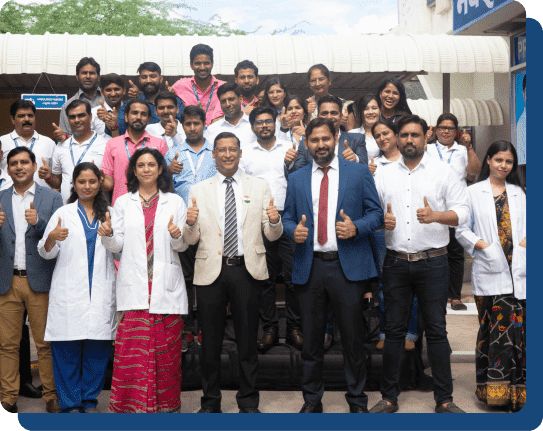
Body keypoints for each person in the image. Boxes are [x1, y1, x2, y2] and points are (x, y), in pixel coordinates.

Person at [282, 118, 383, 413]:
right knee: (311, 343)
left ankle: (357, 401)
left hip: (347, 268)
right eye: (314, 140)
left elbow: (376, 214)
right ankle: (312, 402)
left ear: (336, 138)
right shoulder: (297, 178)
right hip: (310, 267)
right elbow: (288, 217)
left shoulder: (359, 173)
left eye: (326, 139)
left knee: (353, 342)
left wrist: (357, 227)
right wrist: (292, 231)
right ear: (307, 143)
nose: (320, 145)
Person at [370, 115, 469, 414]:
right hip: (396, 264)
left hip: (434, 263)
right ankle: (388, 398)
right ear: (397, 138)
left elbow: (463, 213)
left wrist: (437, 216)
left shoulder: (444, 172)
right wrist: (380, 221)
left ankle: (444, 399)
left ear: (425, 137)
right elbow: (371, 214)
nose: (409, 140)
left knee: (437, 331)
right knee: (394, 331)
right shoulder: (383, 174)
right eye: (404, 135)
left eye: (415, 134)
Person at [182, 131, 282, 413]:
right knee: (210, 343)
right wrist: (189, 225)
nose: (227, 154)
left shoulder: (259, 186)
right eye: (221, 150)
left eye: (232, 150)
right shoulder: (198, 190)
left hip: (246, 271)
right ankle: (210, 402)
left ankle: (249, 403)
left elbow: (271, 235)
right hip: (210, 271)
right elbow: (191, 239)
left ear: (240, 153)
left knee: (248, 342)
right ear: (213, 154)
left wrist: (275, 222)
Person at [100, 147, 187, 413]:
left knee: (167, 358)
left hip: (165, 292)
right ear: (134, 171)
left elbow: (181, 246)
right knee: (131, 356)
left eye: (152, 164)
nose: (146, 169)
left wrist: (176, 234)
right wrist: (107, 233)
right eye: (141, 165)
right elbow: (117, 246)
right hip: (135, 293)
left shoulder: (175, 202)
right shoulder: (124, 203)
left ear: (160, 169)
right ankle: (130, 409)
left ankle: (166, 409)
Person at [37, 162, 116, 413]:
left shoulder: (110, 213)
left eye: (92, 181)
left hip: (101, 289)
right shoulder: (64, 214)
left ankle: (89, 400)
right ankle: (70, 403)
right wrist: (52, 237)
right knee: (67, 350)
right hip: (69, 292)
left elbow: (120, 248)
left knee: (97, 348)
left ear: (100, 182)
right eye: (81, 181)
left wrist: (110, 235)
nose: (87, 186)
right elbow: (45, 252)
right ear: (73, 184)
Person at [456, 141, 526, 412]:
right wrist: (482, 246)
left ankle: (517, 394)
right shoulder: (472, 192)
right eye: (498, 160)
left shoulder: (520, 192)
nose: (503, 166)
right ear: (487, 160)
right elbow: (462, 229)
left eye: (508, 162)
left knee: (518, 332)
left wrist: (525, 244)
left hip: (519, 271)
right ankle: (493, 393)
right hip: (490, 270)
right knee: (493, 331)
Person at [0, 147, 64, 414]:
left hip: (40, 281)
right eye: (13, 163)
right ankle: (8, 396)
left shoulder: (52, 197)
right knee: (7, 344)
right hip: (7, 281)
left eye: (24, 162)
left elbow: (59, 236)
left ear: (34, 165)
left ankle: (50, 395)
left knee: (45, 343)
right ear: (7, 168)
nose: (19, 167)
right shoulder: (0, 198)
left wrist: (39, 221)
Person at [240, 107, 303, 351]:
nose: (264, 125)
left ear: (275, 123)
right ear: (253, 126)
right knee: (264, 278)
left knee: (293, 277)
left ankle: (295, 328)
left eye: (268, 121)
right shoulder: (245, 153)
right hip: (258, 220)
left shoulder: (290, 147)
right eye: (259, 122)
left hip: (288, 218)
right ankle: (270, 329)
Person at [165, 105, 216, 352]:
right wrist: (168, 173)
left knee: (208, 278)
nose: (193, 127)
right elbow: (163, 190)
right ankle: (185, 328)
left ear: (204, 123)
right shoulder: (173, 154)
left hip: (211, 225)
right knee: (184, 278)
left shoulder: (216, 152)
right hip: (183, 227)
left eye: (197, 123)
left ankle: (207, 326)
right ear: (182, 126)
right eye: (188, 124)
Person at [367, 119, 418, 351]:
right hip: (382, 232)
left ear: (396, 134)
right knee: (384, 284)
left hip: (412, 229)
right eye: (377, 136)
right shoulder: (373, 165)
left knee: (413, 283)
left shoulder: (412, 161)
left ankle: (411, 331)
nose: (382, 138)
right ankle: (386, 332)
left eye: (385, 133)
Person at [427, 113, 481, 311]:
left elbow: (474, 170)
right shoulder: (429, 149)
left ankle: (455, 296)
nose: (446, 131)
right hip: (434, 208)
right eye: (442, 127)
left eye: (450, 128)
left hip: (456, 207)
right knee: (435, 253)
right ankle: (438, 295)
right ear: (436, 129)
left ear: (457, 131)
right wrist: (425, 140)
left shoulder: (462, 149)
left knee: (456, 254)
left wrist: (469, 146)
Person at [101, 99, 168, 204]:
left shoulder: (159, 144)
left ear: (148, 119)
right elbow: (109, 185)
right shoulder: (112, 144)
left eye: (143, 114)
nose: (138, 117)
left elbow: (164, 179)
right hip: (121, 207)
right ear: (126, 117)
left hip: (151, 206)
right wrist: (99, 178)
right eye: (134, 113)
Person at [43, 100, 109, 203]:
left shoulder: (106, 143)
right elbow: (57, 183)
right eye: (72, 117)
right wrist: (49, 177)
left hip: (97, 209)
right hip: (67, 210)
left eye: (81, 115)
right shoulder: (60, 146)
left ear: (90, 117)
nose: (76, 120)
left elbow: (111, 184)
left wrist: (102, 179)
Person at [287, 95, 368, 174]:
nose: (329, 117)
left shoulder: (357, 139)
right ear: (318, 116)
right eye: (324, 113)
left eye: (334, 113)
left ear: (341, 116)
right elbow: (297, 174)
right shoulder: (306, 144)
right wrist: (289, 163)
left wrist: (356, 160)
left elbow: (366, 171)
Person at [0, 99, 56, 190]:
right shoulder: (2, 142)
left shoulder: (49, 143)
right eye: (21, 116)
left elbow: (57, 182)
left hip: (40, 200)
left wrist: (49, 177)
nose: (27, 119)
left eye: (30, 115)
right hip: (9, 199)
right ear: (13, 119)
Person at [117, 62, 185, 134]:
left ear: (161, 78)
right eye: (144, 77)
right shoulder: (130, 104)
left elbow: (185, 124)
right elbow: (120, 130)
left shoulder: (174, 101)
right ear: (139, 80)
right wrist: (112, 124)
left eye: (153, 76)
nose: (148, 80)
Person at [171, 44, 225, 126]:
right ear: (191, 65)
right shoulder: (180, 86)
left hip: (218, 136)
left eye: (206, 63)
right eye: (198, 63)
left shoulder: (224, 88)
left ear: (212, 64)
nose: (202, 67)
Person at [56, 57, 104, 140]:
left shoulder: (109, 99)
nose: (88, 76)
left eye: (92, 73)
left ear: (98, 76)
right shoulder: (67, 106)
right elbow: (66, 137)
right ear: (77, 76)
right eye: (84, 73)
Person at [205, 83, 256, 149]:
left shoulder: (254, 124)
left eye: (231, 99)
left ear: (240, 99)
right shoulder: (212, 129)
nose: (228, 104)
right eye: (223, 101)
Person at [91, 74, 126, 138]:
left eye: (116, 89)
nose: (113, 94)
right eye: (108, 90)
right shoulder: (93, 113)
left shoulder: (131, 112)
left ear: (123, 90)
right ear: (102, 92)